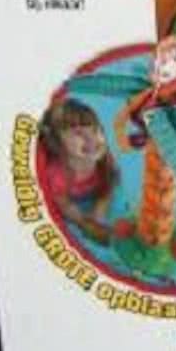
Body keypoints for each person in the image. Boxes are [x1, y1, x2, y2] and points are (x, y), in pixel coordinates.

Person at [39, 98, 119, 243]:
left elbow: (109, 185)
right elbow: (65, 204)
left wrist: (99, 213)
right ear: (57, 142)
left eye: (95, 130)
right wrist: (84, 223)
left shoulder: (104, 161)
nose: (91, 139)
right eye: (78, 133)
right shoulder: (57, 175)